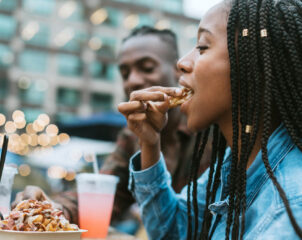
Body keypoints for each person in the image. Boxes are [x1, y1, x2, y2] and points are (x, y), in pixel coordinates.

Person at [118, 0, 302, 239]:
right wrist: (150, 144)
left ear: (252, 67)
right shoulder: (238, 161)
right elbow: (175, 230)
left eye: (203, 47)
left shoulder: (290, 211)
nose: (182, 63)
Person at [12, 26, 211, 230]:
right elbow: (103, 190)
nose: (132, 80)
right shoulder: (133, 135)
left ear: (179, 69)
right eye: (125, 74)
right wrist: (52, 208)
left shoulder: (209, 129)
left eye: (147, 68)